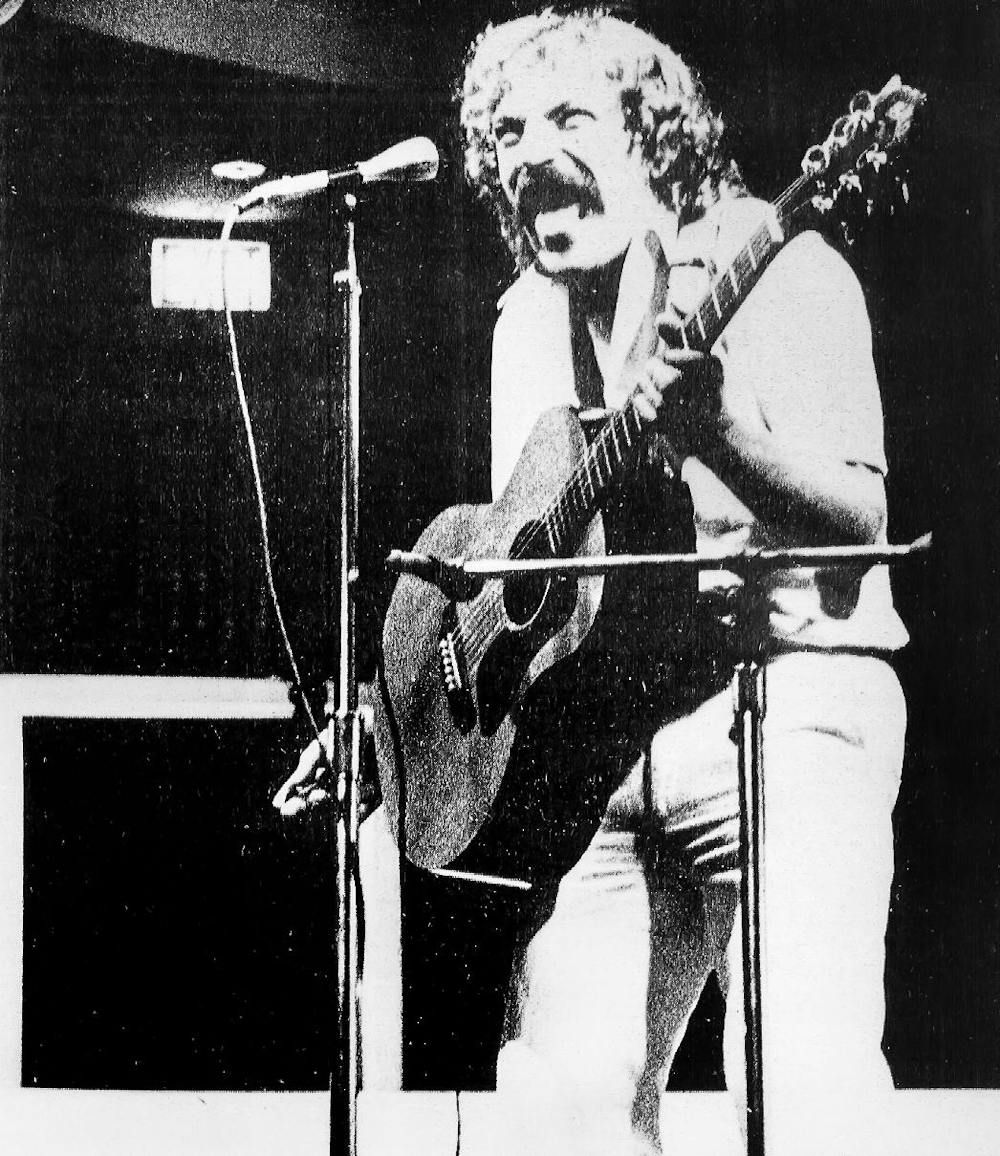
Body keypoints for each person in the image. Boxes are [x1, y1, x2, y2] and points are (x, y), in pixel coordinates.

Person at [278, 8, 908, 1154]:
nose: (530, 152)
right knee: (560, 1101)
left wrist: (722, 438)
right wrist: (395, 720)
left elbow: (861, 531)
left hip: (790, 700)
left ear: (654, 139)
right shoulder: (526, 319)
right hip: (609, 745)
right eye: (508, 132)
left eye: (570, 118)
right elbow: (523, 572)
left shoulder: (775, 261)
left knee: (805, 1082)